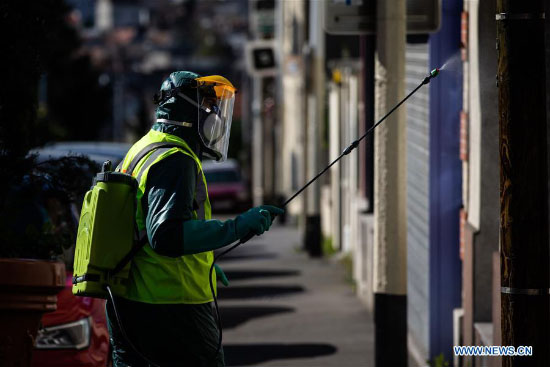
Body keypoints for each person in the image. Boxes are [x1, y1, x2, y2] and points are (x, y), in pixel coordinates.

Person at [106, 71, 283, 367]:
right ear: (189, 111)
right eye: (209, 108)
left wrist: (206, 268)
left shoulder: (143, 149)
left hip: (132, 303)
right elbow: (166, 235)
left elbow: (142, 228)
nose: (215, 117)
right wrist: (236, 227)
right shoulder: (174, 158)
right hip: (172, 308)